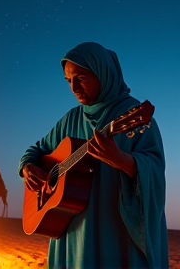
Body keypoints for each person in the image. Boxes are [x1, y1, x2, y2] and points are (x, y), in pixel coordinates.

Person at [18, 42, 168, 268]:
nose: (74, 87)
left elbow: (154, 171)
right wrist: (27, 167)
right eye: (68, 80)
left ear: (103, 73)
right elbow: (37, 149)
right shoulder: (70, 120)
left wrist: (122, 161)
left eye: (81, 77)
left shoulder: (133, 115)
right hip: (72, 228)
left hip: (114, 230)